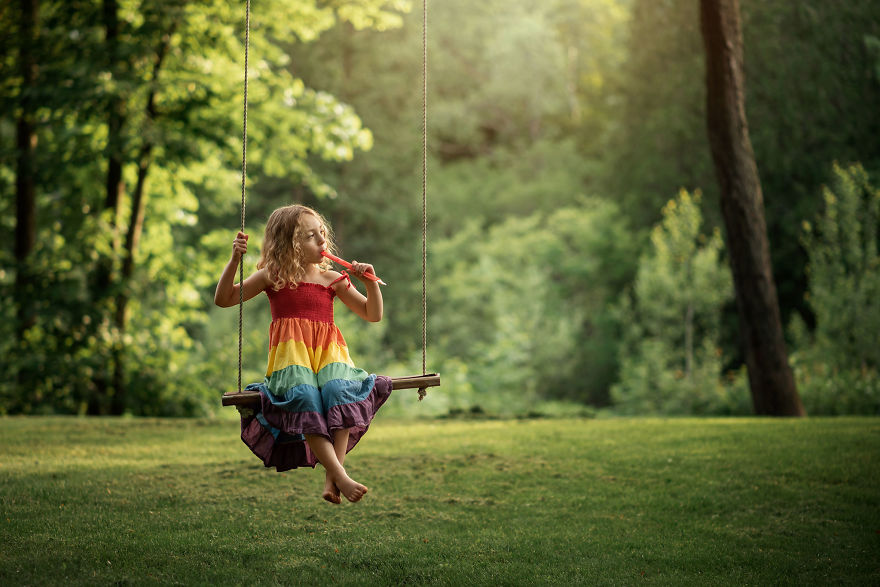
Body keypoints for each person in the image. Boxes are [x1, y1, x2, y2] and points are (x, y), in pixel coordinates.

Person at [214, 204, 390, 504]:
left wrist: (370, 283)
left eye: (322, 233)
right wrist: (234, 261)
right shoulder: (274, 276)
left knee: (340, 392)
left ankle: (333, 477)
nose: (322, 241)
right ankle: (340, 476)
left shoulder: (332, 278)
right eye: (311, 236)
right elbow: (225, 298)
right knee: (305, 398)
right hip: (292, 358)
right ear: (289, 244)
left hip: (329, 354)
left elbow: (372, 314)